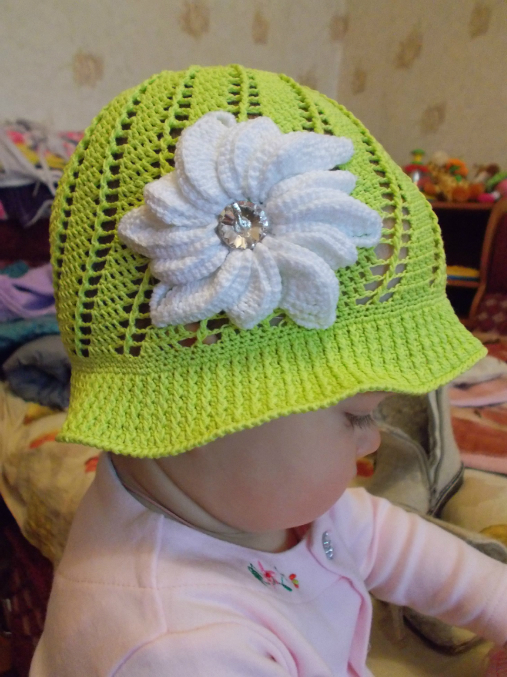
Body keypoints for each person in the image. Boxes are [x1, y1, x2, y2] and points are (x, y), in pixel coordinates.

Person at [30, 65, 507, 676]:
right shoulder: (179, 647)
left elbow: (385, 538)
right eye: (357, 415)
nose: (374, 440)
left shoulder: (251, 502)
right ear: (205, 405)